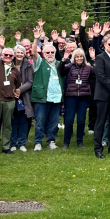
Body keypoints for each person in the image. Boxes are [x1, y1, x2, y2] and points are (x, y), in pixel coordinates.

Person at [0, 25, 22, 156]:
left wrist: (16, 91)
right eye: (5, 54)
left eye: (10, 55)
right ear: (2, 55)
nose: (7, 56)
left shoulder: (15, 71)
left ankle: (6, 147)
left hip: (9, 100)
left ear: (13, 57)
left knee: (7, 125)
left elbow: (18, 84)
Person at [30, 23, 65, 151]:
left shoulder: (60, 64)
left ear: (55, 53)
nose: (50, 54)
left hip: (56, 97)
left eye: (52, 52)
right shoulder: (39, 62)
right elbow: (34, 52)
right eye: (47, 52)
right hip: (42, 97)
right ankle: (38, 142)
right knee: (40, 120)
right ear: (43, 54)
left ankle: (51, 140)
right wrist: (36, 39)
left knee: (54, 121)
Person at [60, 48, 94, 149]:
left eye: (81, 57)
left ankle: (80, 141)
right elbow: (61, 71)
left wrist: (93, 59)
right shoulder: (69, 66)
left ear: (83, 58)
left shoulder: (88, 68)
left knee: (81, 120)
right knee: (69, 120)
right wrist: (63, 60)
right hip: (71, 97)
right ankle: (66, 142)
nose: (79, 58)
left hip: (83, 97)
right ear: (74, 58)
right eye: (77, 57)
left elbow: (97, 72)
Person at [9, 45, 34, 152]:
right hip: (11, 96)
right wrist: (13, 90)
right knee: (13, 121)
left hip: (25, 96)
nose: (19, 54)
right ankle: (13, 143)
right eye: (17, 52)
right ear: (14, 53)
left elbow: (30, 81)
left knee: (24, 121)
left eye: (21, 53)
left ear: (24, 54)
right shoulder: (9, 63)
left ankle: (22, 143)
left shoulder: (28, 64)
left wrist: (20, 90)